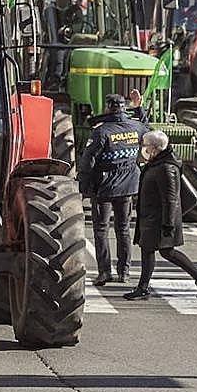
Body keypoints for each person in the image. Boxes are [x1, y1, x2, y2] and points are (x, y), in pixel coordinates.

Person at [124, 130, 197, 300]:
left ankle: (143, 288)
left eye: (145, 146)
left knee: (157, 251)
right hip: (153, 217)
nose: (143, 149)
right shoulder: (158, 163)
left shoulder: (166, 168)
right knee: (160, 251)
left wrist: (168, 224)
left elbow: (170, 198)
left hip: (159, 219)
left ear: (154, 148)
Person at [77, 93, 146, 285]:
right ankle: (124, 272)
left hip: (104, 188)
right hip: (128, 186)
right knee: (123, 229)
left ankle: (104, 271)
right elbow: (148, 130)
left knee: (101, 230)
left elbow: (87, 161)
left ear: (108, 108)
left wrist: (83, 186)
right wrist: (139, 108)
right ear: (124, 108)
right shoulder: (136, 127)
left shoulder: (102, 132)